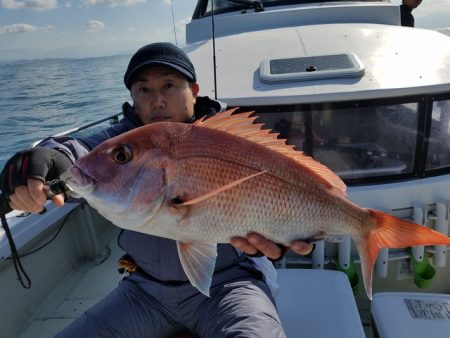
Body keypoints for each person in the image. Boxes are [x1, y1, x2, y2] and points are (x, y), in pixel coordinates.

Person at [0, 42, 313, 337]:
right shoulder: (126, 142)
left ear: (194, 90)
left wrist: (292, 230)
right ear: (133, 98)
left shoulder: (234, 139)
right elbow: (75, 150)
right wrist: (44, 158)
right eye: (143, 89)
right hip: (146, 290)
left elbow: (285, 180)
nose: (157, 99)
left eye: (168, 85)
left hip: (232, 284)